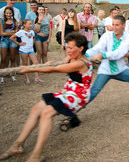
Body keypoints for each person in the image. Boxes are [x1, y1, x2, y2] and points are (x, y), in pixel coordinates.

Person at [0, 32, 93, 162]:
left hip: (79, 94)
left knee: (47, 113)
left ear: (81, 48)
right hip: (68, 90)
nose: (68, 50)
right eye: (67, 47)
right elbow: (60, 63)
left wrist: (29, 69)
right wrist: (53, 62)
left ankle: (36, 155)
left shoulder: (81, 63)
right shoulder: (71, 57)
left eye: (71, 48)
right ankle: (17, 145)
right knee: (36, 109)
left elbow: (56, 70)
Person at [85, 15, 129, 116]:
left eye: (117, 25)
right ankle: (71, 112)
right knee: (93, 93)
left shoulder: (128, 39)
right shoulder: (107, 35)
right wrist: (86, 55)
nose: (114, 27)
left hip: (120, 70)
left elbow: (119, 53)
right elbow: (97, 48)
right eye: (113, 25)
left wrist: (103, 55)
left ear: (123, 26)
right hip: (105, 70)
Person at [9, 19, 43, 84]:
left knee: (35, 62)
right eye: (29, 24)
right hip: (23, 50)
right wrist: (18, 43)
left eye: (31, 24)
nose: (31, 25)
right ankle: (27, 78)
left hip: (31, 50)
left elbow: (33, 37)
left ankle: (36, 78)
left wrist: (32, 43)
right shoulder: (21, 32)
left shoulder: (32, 32)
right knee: (25, 64)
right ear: (24, 25)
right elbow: (11, 38)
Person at [0, 7, 19, 83]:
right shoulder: (1, 21)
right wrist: (12, 32)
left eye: (10, 13)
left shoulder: (15, 21)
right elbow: (1, 33)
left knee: (13, 58)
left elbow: (17, 33)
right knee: (3, 58)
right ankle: (1, 76)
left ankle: (13, 75)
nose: (8, 14)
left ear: (12, 14)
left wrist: (7, 33)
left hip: (13, 41)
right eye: (7, 13)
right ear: (4, 13)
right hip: (4, 41)